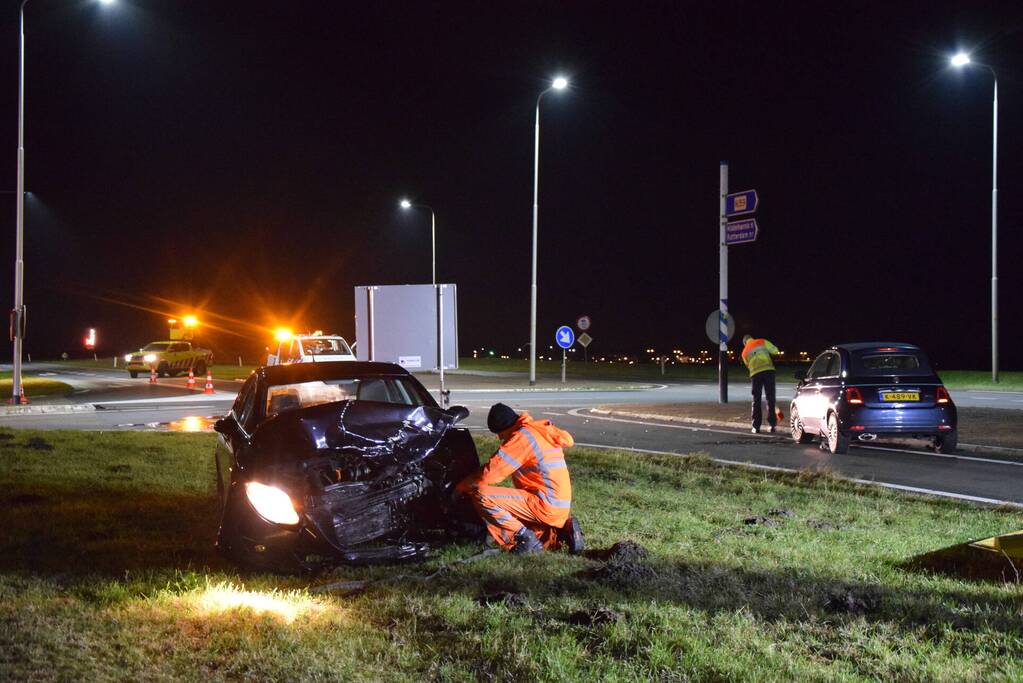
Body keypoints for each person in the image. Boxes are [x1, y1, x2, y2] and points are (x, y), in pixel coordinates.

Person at [456, 403, 584, 554]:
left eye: (500, 434)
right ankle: (561, 535)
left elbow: (490, 474)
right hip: (556, 506)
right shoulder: (537, 431)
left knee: (482, 495)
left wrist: (461, 487)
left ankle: (525, 539)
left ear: (505, 428)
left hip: (544, 505)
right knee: (512, 517)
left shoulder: (522, 438)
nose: (500, 438)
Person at [741, 334, 782, 434]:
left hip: (756, 374)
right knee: (770, 398)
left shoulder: (744, 352)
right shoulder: (762, 341)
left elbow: (748, 365)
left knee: (756, 400)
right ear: (752, 338)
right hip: (769, 371)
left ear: (745, 343)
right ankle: (772, 425)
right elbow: (775, 351)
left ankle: (756, 427)